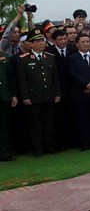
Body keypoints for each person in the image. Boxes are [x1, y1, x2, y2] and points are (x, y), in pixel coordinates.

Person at [16, 28, 61, 156]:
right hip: (33, 96)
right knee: (35, 123)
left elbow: (55, 78)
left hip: (49, 95)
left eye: (43, 40)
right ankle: (37, 147)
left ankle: (50, 146)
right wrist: (25, 96)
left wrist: (58, 93)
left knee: (49, 123)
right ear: (31, 44)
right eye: (38, 41)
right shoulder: (23, 59)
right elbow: (22, 80)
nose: (42, 43)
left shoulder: (50, 57)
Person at [67, 32, 90, 150]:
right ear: (77, 44)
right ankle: (84, 142)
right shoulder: (72, 58)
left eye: (87, 41)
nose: (86, 44)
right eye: (83, 42)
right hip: (80, 92)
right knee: (82, 118)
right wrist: (86, 84)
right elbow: (72, 74)